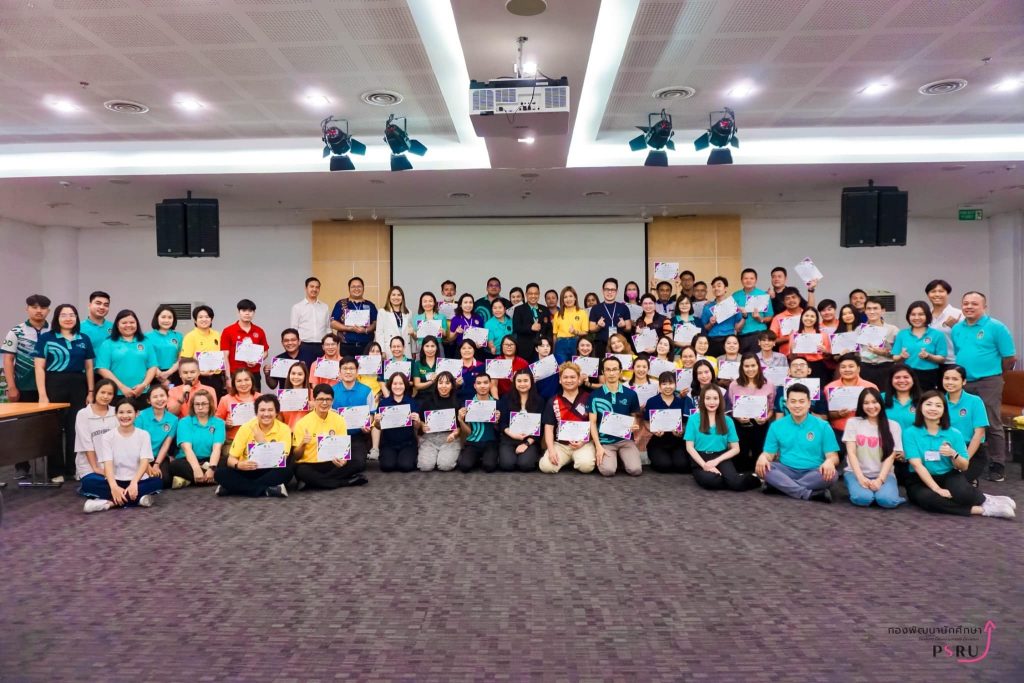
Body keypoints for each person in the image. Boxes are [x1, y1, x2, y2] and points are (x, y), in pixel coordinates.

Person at [903, 391, 1014, 519]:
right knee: (928, 499)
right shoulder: (910, 433)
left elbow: (964, 466)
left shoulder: (954, 433)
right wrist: (937, 489)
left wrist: (953, 454)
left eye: (938, 405)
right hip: (918, 479)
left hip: (948, 474)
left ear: (944, 410)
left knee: (963, 494)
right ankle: (982, 509)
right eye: (928, 404)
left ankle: (984, 498)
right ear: (920, 407)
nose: (933, 408)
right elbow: (917, 465)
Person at [950, 291, 1016, 482]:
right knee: (964, 420)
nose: (969, 307)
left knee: (991, 422)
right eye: (966, 303)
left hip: (989, 382)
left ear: (984, 307)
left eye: (974, 304)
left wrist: (996, 374)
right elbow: (960, 352)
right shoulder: (957, 328)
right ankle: (969, 459)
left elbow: (1009, 357)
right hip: (963, 382)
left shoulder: (996, 327)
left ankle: (997, 463)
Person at [34, 303, 95, 481]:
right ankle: (56, 471)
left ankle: (74, 467)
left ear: (77, 318)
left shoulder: (84, 338)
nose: (68, 318)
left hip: (78, 385)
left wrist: (91, 391)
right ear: (57, 318)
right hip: (54, 383)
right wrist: (42, 394)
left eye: (72, 315)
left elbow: (89, 367)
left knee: (75, 428)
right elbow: (39, 367)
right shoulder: (46, 338)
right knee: (54, 429)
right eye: (64, 315)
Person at [756, 384, 841, 503]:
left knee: (832, 474)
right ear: (787, 404)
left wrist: (829, 462)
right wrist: (763, 457)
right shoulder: (776, 426)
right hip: (786, 470)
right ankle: (807, 494)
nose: (797, 405)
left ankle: (780, 487)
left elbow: (833, 456)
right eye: (793, 401)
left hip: (814, 471)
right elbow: (769, 454)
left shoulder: (823, 426)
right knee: (764, 468)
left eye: (801, 401)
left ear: (809, 403)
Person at [79, 399, 163, 513]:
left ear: (137, 413)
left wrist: (134, 483)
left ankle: (109, 503)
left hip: (137, 481)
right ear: (116, 414)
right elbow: (107, 464)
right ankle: (137, 500)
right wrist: (114, 487)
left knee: (157, 482)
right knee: (88, 482)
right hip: (115, 480)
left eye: (129, 412)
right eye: (121, 412)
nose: (125, 416)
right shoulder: (108, 437)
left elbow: (144, 462)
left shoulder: (143, 435)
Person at [3, 294, 51, 477]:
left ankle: (50, 467)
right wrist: (12, 386)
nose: (39, 311)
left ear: (48, 310)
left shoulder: (54, 331)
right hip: (24, 386)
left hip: (49, 387)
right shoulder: (16, 331)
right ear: (27, 309)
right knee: (22, 428)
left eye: (43, 308)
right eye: (34, 307)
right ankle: (22, 467)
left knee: (49, 427)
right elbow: (8, 360)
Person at [291, 383, 368, 490]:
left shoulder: (339, 419)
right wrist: (303, 443)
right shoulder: (302, 423)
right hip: (311, 463)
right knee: (301, 470)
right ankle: (345, 482)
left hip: (332, 462)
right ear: (314, 400)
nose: (324, 403)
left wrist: (343, 460)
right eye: (320, 399)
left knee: (357, 463)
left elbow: (343, 448)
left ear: (332, 401)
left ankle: (314, 482)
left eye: (328, 399)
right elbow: (296, 456)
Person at [215, 394, 294, 498]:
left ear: (277, 413)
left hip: (269, 470)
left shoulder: (284, 429)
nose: (266, 414)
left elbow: (281, 460)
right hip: (246, 470)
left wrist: (262, 443)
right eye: (262, 410)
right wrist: (239, 465)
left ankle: (234, 488)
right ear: (256, 413)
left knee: (286, 472)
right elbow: (231, 459)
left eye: (270, 410)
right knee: (219, 473)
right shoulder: (246, 428)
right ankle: (266, 489)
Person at [686, 385, 758, 491]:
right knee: (712, 481)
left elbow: (736, 449)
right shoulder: (693, 419)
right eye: (708, 398)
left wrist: (716, 461)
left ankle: (755, 479)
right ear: (702, 400)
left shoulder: (728, 420)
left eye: (715, 398)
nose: (712, 402)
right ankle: (730, 479)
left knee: (735, 484)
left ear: (720, 400)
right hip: (700, 458)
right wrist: (705, 465)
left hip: (721, 457)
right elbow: (689, 447)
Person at [842, 388, 905, 508]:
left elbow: (891, 457)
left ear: (880, 403)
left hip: (884, 474)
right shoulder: (853, 423)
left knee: (887, 501)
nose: (871, 406)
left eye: (874, 402)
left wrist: (880, 480)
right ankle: (867, 493)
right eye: (866, 403)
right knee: (863, 499)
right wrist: (861, 478)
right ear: (861, 406)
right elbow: (851, 453)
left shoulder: (893, 426)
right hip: (856, 473)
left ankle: (883, 495)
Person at [539, 362, 596, 474]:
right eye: (565, 377)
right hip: (561, 445)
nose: (569, 380)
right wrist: (551, 450)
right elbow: (549, 428)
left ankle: (577, 458)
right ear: (560, 380)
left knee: (586, 466)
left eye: (572, 377)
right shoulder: (553, 401)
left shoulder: (589, 398)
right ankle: (569, 459)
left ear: (579, 379)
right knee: (546, 467)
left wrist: (583, 442)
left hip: (583, 443)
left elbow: (594, 424)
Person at [96, 309, 158, 410]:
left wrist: (143, 385)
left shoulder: (145, 342)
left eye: (132, 322)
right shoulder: (108, 343)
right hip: (117, 393)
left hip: (142, 392)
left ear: (137, 324)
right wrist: (122, 387)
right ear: (117, 325)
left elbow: (153, 366)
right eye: (124, 322)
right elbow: (102, 368)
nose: (128, 325)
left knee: (142, 419)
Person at [590, 356, 641, 477]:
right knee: (608, 471)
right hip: (605, 441)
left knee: (635, 470)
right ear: (603, 372)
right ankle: (614, 459)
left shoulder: (631, 394)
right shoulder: (594, 395)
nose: (611, 373)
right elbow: (592, 423)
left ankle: (621, 457)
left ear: (620, 371)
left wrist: (634, 425)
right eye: (608, 370)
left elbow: (634, 417)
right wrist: (598, 446)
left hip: (625, 440)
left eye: (614, 369)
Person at [942, 365, 989, 487]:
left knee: (955, 484)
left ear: (964, 382)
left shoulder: (975, 401)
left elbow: (979, 434)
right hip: (945, 450)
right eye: (946, 378)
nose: (950, 382)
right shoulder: (938, 401)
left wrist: (964, 459)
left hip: (971, 451)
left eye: (955, 379)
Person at [728, 353, 775, 472]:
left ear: (758, 366)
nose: (750, 369)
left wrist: (766, 418)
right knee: (739, 463)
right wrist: (738, 418)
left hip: (760, 425)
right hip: (740, 425)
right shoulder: (734, 385)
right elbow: (732, 408)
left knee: (759, 462)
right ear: (742, 367)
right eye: (746, 366)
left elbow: (771, 409)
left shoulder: (769, 385)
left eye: (753, 365)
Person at [169, 389, 224, 488]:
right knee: (175, 465)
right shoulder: (184, 422)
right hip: (187, 461)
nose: (200, 407)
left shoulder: (219, 423)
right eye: (197, 404)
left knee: (226, 462)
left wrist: (211, 469)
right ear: (192, 406)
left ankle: (190, 480)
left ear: (210, 405)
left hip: (210, 460)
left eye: (204, 404)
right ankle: (211, 479)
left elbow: (217, 448)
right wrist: (196, 469)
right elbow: (187, 449)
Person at [892, 300, 947, 391]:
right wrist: (901, 356)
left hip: (930, 374)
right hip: (907, 374)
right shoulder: (902, 334)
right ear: (908, 316)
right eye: (913, 314)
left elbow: (942, 358)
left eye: (921, 314)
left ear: (927, 316)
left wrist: (929, 356)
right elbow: (895, 357)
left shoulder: (937, 334)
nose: (916, 317)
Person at [496, 369, 544, 471]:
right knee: (507, 465)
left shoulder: (539, 401)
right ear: (514, 382)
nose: (522, 384)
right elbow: (502, 423)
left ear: (531, 382)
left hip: (530, 440)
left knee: (525, 465)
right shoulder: (505, 399)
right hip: (509, 438)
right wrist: (512, 434)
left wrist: (526, 444)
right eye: (519, 381)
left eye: (526, 381)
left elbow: (540, 428)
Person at [644, 371, 692, 473]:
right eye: (664, 384)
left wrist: (682, 431)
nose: (668, 387)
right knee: (664, 466)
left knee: (682, 466)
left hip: (677, 440)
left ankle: (674, 459)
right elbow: (646, 421)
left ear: (675, 385)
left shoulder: (681, 401)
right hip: (658, 440)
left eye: (671, 383)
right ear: (659, 386)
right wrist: (653, 431)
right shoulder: (652, 401)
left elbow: (686, 422)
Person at [331, 357, 376, 465]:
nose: (348, 372)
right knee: (332, 462)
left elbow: (371, 413)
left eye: (351, 368)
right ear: (339, 371)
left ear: (357, 371)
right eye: (345, 368)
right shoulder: (332, 391)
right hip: (337, 436)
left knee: (359, 463)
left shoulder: (366, 390)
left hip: (358, 435)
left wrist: (367, 425)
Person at [373, 373, 420, 472]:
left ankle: (406, 458)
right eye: (395, 384)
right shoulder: (384, 403)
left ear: (405, 385)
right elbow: (378, 427)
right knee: (387, 467)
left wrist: (417, 421)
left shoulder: (412, 402)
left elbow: (417, 427)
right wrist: (377, 421)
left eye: (401, 383)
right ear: (390, 385)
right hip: (388, 443)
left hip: (408, 443)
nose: (398, 386)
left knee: (405, 467)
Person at [134, 383, 178, 488]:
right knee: (144, 477)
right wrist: (146, 465)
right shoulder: (140, 416)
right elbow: (136, 443)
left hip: (158, 457)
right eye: (155, 397)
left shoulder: (173, 419)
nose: (159, 399)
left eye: (162, 395)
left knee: (165, 481)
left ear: (167, 397)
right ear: (149, 401)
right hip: (139, 456)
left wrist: (157, 464)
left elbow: (166, 444)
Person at [73, 379, 117, 482]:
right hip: (89, 467)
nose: (105, 396)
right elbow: (86, 444)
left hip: (113, 465)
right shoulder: (83, 413)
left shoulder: (116, 412)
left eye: (110, 394)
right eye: (102, 392)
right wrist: (96, 468)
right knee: (98, 483)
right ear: (96, 392)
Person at [416, 370, 461, 472]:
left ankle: (448, 456)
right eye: (440, 383)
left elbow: (459, 427)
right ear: (436, 385)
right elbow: (421, 421)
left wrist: (454, 434)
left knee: (445, 466)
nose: (443, 386)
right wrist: (422, 425)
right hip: (430, 439)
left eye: (447, 383)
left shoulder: (457, 403)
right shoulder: (427, 402)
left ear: (452, 386)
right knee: (425, 467)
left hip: (449, 439)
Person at [456, 373, 500, 472]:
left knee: (489, 467)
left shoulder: (496, 404)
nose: (482, 386)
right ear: (475, 386)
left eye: (485, 383)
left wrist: (496, 422)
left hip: (490, 442)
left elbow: (499, 430)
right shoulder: (468, 404)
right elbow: (468, 432)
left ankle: (486, 457)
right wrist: (461, 420)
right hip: (473, 442)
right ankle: (475, 457)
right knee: (464, 466)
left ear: (490, 384)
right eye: (479, 383)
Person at [221, 299, 268, 392]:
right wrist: (228, 378)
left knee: (256, 399)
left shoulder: (259, 331)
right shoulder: (228, 331)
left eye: (250, 311)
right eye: (244, 310)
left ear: (254, 313)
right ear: (238, 312)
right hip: (235, 374)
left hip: (254, 374)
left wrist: (257, 359)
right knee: (235, 399)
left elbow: (266, 352)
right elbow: (224, 356)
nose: (247, 313)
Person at [825, 353, 877, 435]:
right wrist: (838, 414)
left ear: (858, 369)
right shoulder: (830, 388)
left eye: (851, 366)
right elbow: (825, 413)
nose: (847, 369)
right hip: (838, 431)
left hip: (866, 432)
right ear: (839, 369)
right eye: (843, 367)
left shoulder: (871, 387)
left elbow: (878, 410)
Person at [180, 305, 223, 398]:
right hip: (198, 378)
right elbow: (186, 360)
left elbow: (222, 355)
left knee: (216, 402)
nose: (204, 319)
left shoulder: (217, 335)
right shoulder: (190, 337)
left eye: (207, 317)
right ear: (195, 320)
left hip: (216, 377)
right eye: (200, 317)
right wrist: (200, 372)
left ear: (211, 319)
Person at [331, 276, 378, 359]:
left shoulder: (370, 305)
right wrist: (349, 328)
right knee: (347, 366)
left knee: (366, 367)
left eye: (359, 286)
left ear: (363, 288)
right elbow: (333, 323)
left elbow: (376, 323)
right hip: (346, 346)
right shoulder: (341, 304)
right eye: (353, 287)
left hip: (366, 346)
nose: (356, 289)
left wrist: (366, 330)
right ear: (349, 289)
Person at [857, 298, 898, 391]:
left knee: (886, 395)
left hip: (886, 367)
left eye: (875, 308)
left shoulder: (893, 330)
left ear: (883, 311)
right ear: (865, 311)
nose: (872, 312)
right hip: (865, 368)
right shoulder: (859, 329)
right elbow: (856, 351)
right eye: (869, 309)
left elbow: (899, 353)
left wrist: (884, 352)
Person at [589, 278, 634, 358]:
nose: (609, 292)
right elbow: (591, 328)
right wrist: (598, 326)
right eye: (607, 289)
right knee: (602, 365)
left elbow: (629, 328)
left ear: (617, 291)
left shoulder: (624, 308)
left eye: (613, 290)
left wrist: (624, 326)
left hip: (619, 346)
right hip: (602, 345)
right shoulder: (595, 308)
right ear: (602, 290)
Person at [291, 277, 331, 367]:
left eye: (317, 287)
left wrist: (330, 343)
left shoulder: (325, 307)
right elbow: (294, 329)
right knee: (305, 371)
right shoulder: (297, 307)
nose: (314, 289)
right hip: (304, 346)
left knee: (321, 371)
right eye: (312, 286)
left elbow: (328, 328)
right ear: (306, 288)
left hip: (322, 346)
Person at [699, 276, 743, 357]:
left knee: (729, 362)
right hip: (713, 340)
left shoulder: (733, 304)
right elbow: (706, 327)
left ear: (725, 289)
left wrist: (744, 316)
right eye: (713, 287)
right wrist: (711, 323)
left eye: (719, 286)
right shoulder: (708, 307)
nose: (716, 288)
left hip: (729, 339)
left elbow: (738, 326)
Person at [788, 307, 832, 381]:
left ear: (816, 319)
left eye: (812, 316)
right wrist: (792, 350)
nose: (809, 318)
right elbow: (792, 358)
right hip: (800, 366)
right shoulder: (794, 335)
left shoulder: (823, 334)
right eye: (806, 315)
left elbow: (829, 358)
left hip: (818, 366)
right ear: (802, 317)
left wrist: (825, 351)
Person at [733, 268, 771, 353]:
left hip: (759, 333)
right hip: (741, 335)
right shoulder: (735, 295)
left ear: (756, 280)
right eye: (746, 278)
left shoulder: (763, 295)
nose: (748, 281)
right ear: (741, 280)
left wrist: (760, 319)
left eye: (751, 278)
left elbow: (769, 316)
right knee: (743, 359)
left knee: (758, 359)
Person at [215, 368, 258, 444]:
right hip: (233, 441)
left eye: (246, 380)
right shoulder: (225, 399)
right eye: (239, 381)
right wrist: (226, 424)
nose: (243, 384)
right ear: (234, 383)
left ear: (252, 381)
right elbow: (216, 422)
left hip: (257, 441)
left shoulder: (261, 398)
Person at [512, 283, 553, 363]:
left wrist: (548, 345)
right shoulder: (519, 309)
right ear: (526, 294)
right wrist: (530, 327)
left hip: (542, 349)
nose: (533, 296)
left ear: (539, 294)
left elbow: (549, 329)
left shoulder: (545, 309)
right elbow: (516, 327)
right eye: (530, 293)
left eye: (536, 293)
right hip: (525, 349)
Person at [926, 279, 961, 365]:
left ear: (947, 294)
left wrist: (955, 327)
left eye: (941, 291)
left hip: (952, 362)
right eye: (933, 291)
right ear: (928, 295)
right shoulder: (925, 315)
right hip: (929, 362)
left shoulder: (959, 314)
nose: (937, 294)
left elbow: (968, 338)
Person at [376, 287, 415, 365]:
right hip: (389, 349)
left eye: (399, 295)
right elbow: (379, 333)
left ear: (402, 297)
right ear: (389, 297)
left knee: (405, 371)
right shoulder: (382, 312)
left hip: (405, 349)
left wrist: (413, 351)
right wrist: (382, 350)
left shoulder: (408, 312)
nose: (396, 297)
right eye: (393, 295)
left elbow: (411, 332)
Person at [146, 305, 183, 386]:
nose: (166, 320)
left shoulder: (179, 336)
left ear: (173, 319)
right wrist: (160, 376)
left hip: (174, 374)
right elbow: (147, 359)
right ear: (157, 318)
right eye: (163, 317)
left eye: (170, 317)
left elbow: (181, 358)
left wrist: (168, 373)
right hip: (154, 375)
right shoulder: (147, 337)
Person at [552, 286, 588, 364]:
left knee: (576, 367)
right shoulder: (558, 314)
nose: (568, 299)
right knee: (561, 368)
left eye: (571, 296)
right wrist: (553, 350)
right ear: (562, 300)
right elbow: (554, 335)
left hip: (576, 343)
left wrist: (575, 332)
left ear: (575, 298)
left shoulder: (582, 312)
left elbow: (585, 332)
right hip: (561, 344)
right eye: (565, 297)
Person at [413, 291, 451, 356]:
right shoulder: (416, 318)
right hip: (422, 346)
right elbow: (416, 338)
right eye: (425, 301)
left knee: (438, 363)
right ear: (421, 303)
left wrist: (443, 332)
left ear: (434, 303)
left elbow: (445, 337)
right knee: (421, 363)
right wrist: (412, 333)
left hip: (438, 346)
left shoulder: (441, 317)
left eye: (430, 301)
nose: (428, 303)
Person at [768, 287, 803, 356]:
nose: (791, 300)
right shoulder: (778, 318)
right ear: (783, 302)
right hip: (787, 356)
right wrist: (790, 337)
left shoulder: (808, 314)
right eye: (787, 299)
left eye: (793, 297)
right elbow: (771, 340)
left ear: (799, 299)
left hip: (809, 355)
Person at [276, 361, 310, 430]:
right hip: (288, 433)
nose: (296, 377)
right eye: (293, 373)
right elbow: (280, 421)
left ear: (305, 376)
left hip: (306, 433)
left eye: (300, 374)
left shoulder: (312, 394)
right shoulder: (283, 396)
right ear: (289, 375)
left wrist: (314, 407)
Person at [80, 291, 113, 357]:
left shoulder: (114, 327)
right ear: (89, 305)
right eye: (98, 303)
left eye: (106, 305)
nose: (102, 307)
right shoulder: (79, 327)